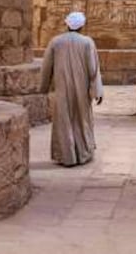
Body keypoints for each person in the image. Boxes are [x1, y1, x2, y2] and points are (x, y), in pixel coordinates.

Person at [40, 11, 103, 167]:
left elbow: (46, 67)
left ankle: (66, 156)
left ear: (66, 24)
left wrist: (43, 87)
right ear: (82, 26)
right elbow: (93, 69)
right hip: (82, 89)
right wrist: (97, 91)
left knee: (64, 120)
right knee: (82, 120)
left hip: (61, 88)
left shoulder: (56, 42)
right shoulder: (87, 42)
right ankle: (83, 154)